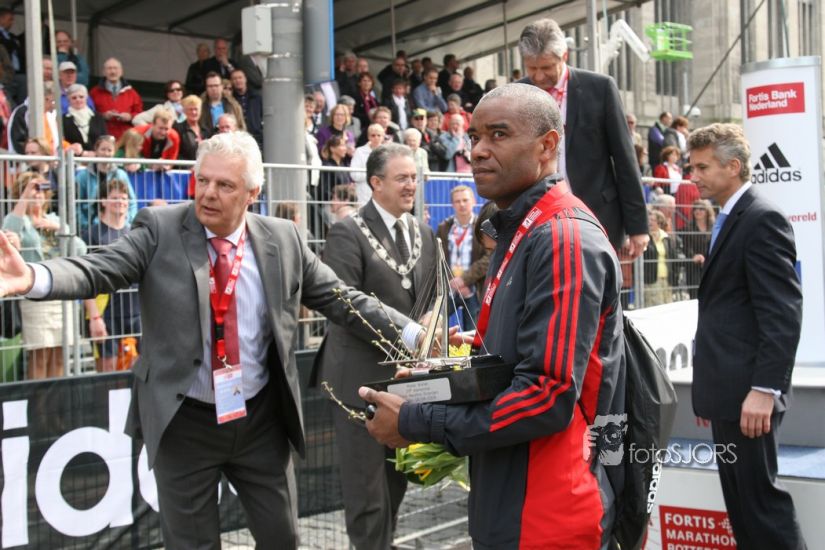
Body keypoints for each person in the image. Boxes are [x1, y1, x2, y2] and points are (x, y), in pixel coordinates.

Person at [0, 132, 424, 549]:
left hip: (260, 421)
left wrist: (416, 334)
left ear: (252, 193)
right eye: (202, 180)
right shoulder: (160, 229)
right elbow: (99, 269)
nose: (208, 193)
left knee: (282, 539)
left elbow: (344, 301)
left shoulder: (283, 239)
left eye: (224, 185)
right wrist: (33, 276)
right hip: (185, 422)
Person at [359, 83, 625, 549]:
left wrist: (417, 421)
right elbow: (523, 363)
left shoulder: (561, 237)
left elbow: (546, 395)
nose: (478, 150)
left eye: (498, 135)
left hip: (548, 516)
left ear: (547, 145)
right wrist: (454, 372)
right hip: (511, 504)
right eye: (475, 137)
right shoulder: (519, 228)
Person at [313, 143, 438, 550]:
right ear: (376, 183)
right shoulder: (346, 232)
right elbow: (345, 304)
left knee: (396, 481)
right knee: (366, 492)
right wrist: (410, 331)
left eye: (414, 178)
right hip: (357, 384)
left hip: (403, 385)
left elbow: (433, 295)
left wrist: (432, 321)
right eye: (402, 178)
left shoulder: (423, 232)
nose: (411, 185)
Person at [689, 123, 806, 549]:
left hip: (750, 396)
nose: (694, 177)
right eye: (692, 167)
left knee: (761, 508)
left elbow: (782, 313)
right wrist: (712, 389)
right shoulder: (730, 217)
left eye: (703, 167)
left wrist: (764, 389)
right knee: (742, 508)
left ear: (733, 166)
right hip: (729, 393)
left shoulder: (761, 218)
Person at [518, 18, 648, 257]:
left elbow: (624, 158)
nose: (539, 76)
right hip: (538, 216)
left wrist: (638, 227)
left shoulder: (600, 88)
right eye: (531, 68)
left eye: (546, 67)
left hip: (595, 213)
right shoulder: (518, 94)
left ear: (564, 56)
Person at [2, 171, 87, 379]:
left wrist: (59, 228)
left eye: (40, 190)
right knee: (39, 356)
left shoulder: (55, 219)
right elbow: (8, 230)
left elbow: (81, 249)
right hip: (35, 295)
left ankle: (55, 401)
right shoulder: (19, 221)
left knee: (59, 356)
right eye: (32, 190)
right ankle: (38, 401)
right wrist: (25, 196)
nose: (37, 194)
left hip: (60, 292)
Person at [85, 179, 141, 372]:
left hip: (136, 312)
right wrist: (94, 317)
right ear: (103, 201)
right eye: (115, 198)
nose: (121, 202)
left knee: (136, 372)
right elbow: (87, 279)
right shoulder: (91, 234)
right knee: (107, 373)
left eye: (124, 198)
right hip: (106, 313)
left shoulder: (135, 234)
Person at [436, 185, 490, 329]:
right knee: (435, 327)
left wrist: (465, 280)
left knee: (472, 333)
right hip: (449, 288)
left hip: (473, 289)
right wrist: (452, 281)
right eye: (457, 201)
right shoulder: (444, 228)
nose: (462, 204)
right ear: (452, 204)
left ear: (473, 201)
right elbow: (437, 257)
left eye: (465, 200)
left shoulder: (483, 227)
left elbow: (489, 257)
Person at [76, 135, 138, 240]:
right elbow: (76, 203)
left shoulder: (121, 174)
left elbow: (132, 201)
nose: (106, 153)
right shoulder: (82, 176)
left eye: (109, 150)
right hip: (90, 226)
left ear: (114, 152)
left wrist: (127, 221)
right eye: (103, 149)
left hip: (118, 225)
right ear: (96, 151)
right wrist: (85, 225)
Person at [89, 57, 144, 140]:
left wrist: (130, 116)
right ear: (104, 72)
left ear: (121, 72)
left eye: (115, 68)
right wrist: (103, 116)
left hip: (126, 138)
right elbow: (89, 113)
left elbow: (140, 114)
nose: (113, 72)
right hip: (103, 138)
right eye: (109, 68)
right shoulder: (94, 92)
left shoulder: (132, 93)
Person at [642, 209, 680, 306]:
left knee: (667, 306)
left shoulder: (667, 238)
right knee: (654, 306)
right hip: (652, 280)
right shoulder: (645, 237)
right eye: (648, 220)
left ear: (659, 222)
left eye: (652, 220)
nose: (649, 222)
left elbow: (673, 258)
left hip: (667, 279)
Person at [682, 199, 714, 299]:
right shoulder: (688, 228)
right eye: (695, 209)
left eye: (701, 209)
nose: (698, 211)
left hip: (711, 264)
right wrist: (694, 256)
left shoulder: (714, 227)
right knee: (695, 295)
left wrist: (708, 258)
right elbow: (686, 247)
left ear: (707, 211)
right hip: (694, 266)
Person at [63, 84, 107, 153]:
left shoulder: (98, 117)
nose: (78, 100)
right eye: (74, 98)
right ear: (68, 100)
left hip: (97, 157)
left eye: (81, 97)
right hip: (73, 158)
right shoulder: (63, 120)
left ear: (86, 98)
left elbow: (105, 138)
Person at [199, 71, 246, 136]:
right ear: (206, 88)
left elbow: (241, 126)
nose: (213, 89)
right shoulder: (199, 107)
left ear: (221, 87)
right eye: (210, 86)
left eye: (216, 85)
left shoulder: (233, 105)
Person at [350, 124, 385, 204]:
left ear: (383, 137)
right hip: (363, 194)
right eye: (373, 135)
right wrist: (372, 175)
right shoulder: (359, 151)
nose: (376, 138)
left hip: (382, 194)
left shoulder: (387, 153)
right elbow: (354, 174)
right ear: (368, 137)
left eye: (379, 135)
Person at [230, 69, 263, 147]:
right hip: (238, 138)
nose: (238, 80)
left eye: (240, 77)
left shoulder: (256, 97)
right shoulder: (231, 99)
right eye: (235, 78)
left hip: (256, 136)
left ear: (245, 79)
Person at [174, 95, 208, 161]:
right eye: (190, 109)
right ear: (184, 111)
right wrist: (189, 165)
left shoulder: (206, 129)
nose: (193, 112)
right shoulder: (178, 129)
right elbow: (176, 154)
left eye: (196, 109)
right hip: (185, 166)